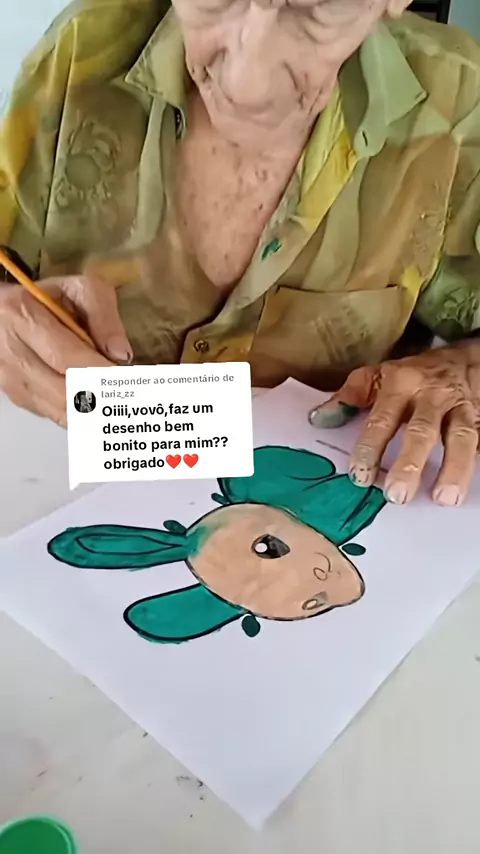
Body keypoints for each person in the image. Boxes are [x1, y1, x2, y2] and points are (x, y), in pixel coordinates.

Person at [0, 0, 479, 507]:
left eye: (315, 7)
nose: (247, 85)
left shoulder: (458, 99)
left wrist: (461, 369)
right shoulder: (86, 46)